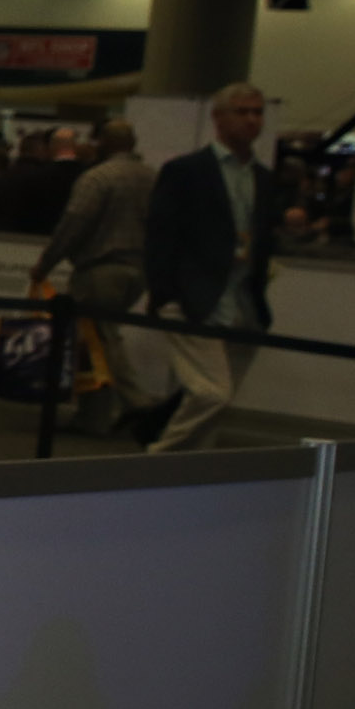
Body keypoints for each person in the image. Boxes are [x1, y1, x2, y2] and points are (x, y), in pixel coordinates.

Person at [141, 82, 277, 452]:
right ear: (218, 118)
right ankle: (157, 458)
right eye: (243, 112)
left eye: (258, 112)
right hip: (193, 299)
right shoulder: (186, 171)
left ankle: (194, 477)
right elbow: (160, 235)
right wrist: (165, 293)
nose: (252, 120)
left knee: (218, 402)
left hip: (244, 304)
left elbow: (262, 240)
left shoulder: (263, 178)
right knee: (211, 394)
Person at [30, 118, 150, 436]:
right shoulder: (153, 178)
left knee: (100, 339)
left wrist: (45, 263)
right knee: (96, 341)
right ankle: (94, 418)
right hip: (139, 270)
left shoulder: (97, 178)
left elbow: (73, 223)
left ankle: (138, 402)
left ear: (104, 143)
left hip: (101, 269)